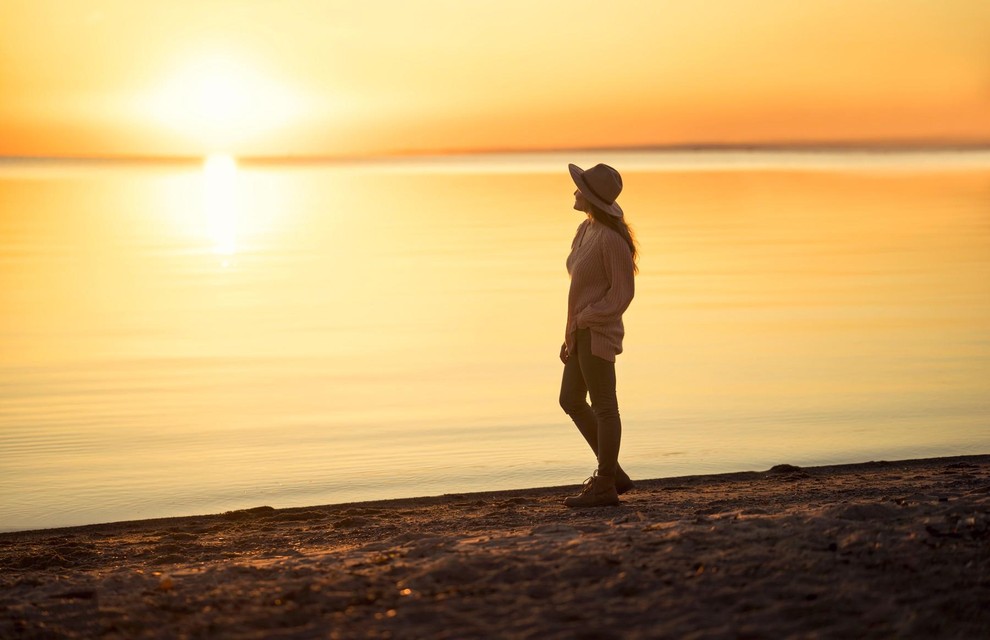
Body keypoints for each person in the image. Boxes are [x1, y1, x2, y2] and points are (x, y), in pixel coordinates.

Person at [559, 163, 638, 508]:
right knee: (570, 399)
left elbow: (622, 295)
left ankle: (605, 482)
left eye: (579, 187)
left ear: (590, 196)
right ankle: (613, 474)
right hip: (581, 330)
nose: (574, 192)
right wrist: (571, 332)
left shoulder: (611, 239)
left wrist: (587, 319)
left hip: (598, 331)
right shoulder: (584, 229)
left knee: (605, 406)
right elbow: (580, 288)